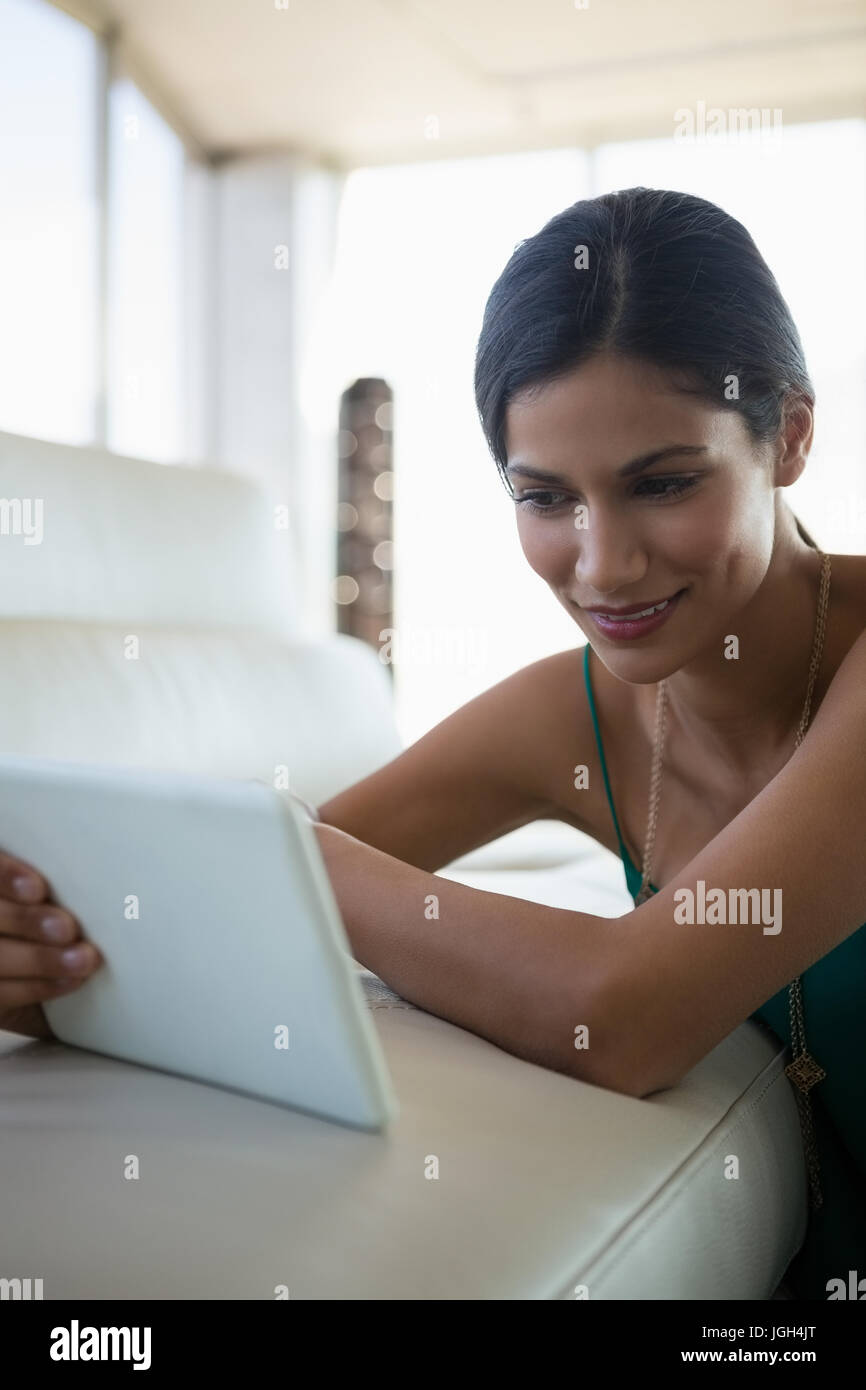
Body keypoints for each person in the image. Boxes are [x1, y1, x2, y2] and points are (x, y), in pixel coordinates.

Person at [1, 187, 863, 1300]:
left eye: (660, 483)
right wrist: (44, 959)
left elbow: (625, 1014)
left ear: (788, 433)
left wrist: (295, 854)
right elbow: (204, 913)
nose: (600, 565)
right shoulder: (571, 715)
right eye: (545, 497)